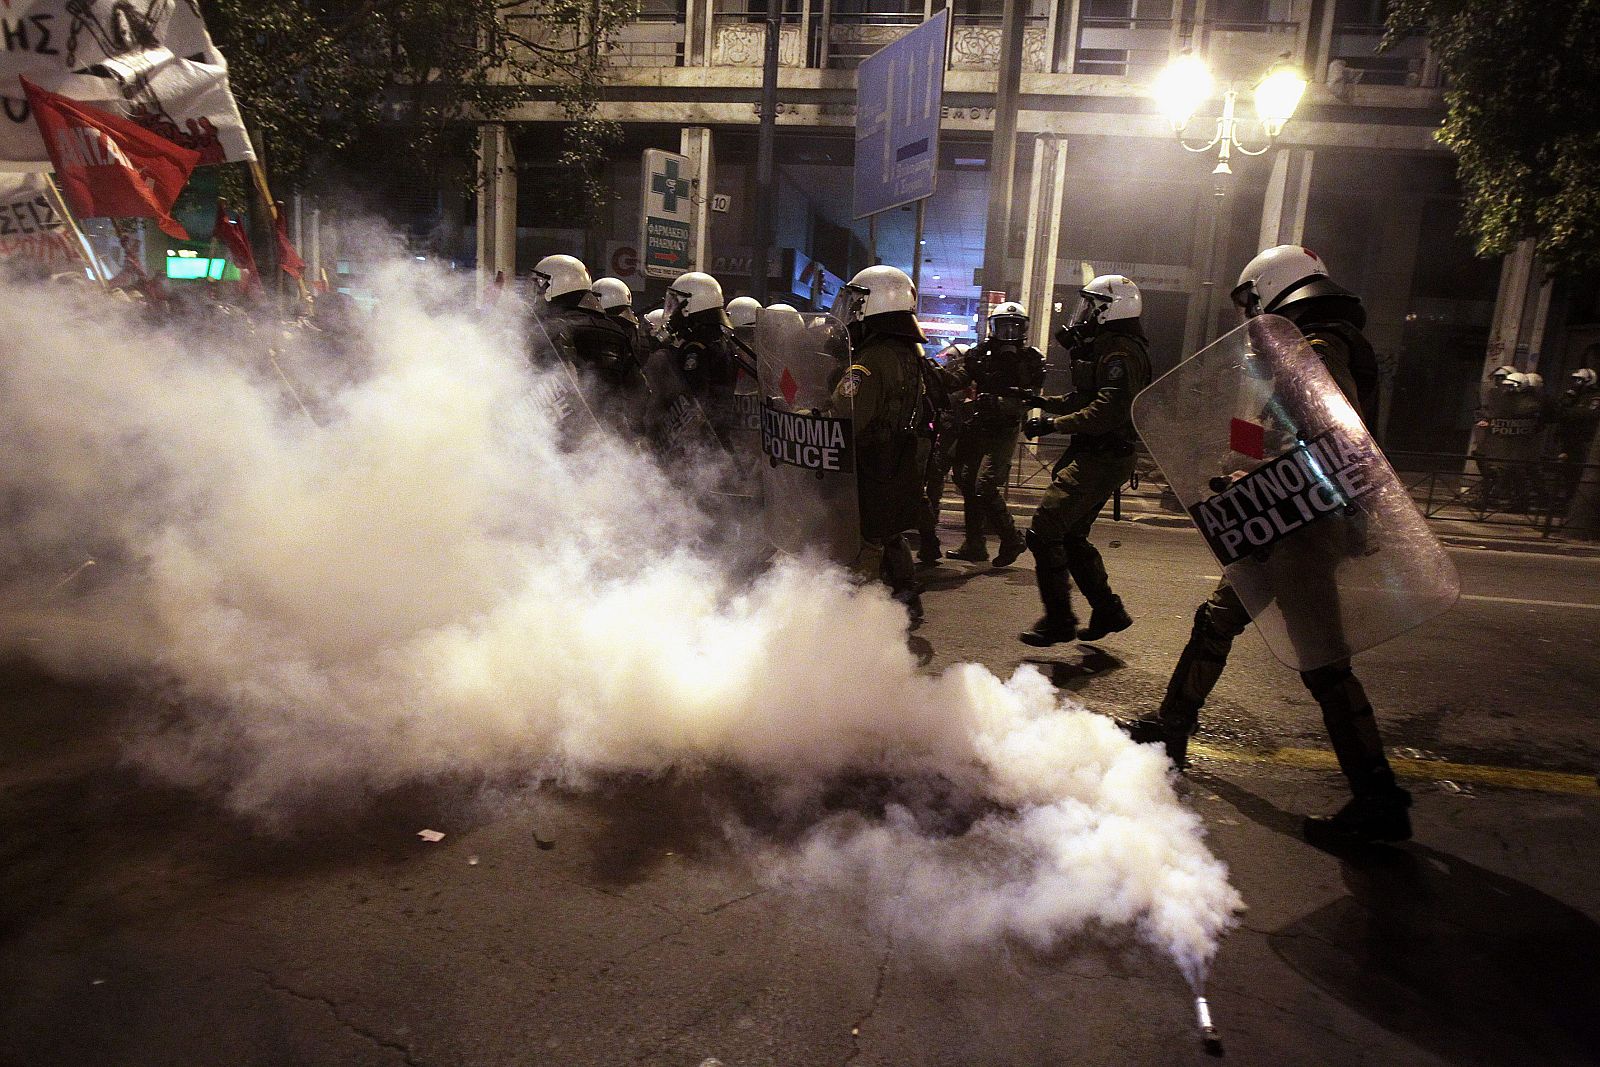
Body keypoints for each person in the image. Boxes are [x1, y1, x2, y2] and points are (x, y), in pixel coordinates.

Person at [1124, 245, 1413, 846]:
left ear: (1272, 290)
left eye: (1251, 299)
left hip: (1305, 522)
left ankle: (1378, 801)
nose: (1248, 312)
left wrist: (1253, 474)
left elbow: (1335, 438)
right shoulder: (1286, 349)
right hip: (1275, 515)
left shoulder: (1318, 347)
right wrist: (1232, 469)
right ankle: (1172, 727)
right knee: (1216, 620)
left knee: (1323, 662)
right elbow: (1258, 426)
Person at [1016, 275, 1149, 646]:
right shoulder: (1109, 347)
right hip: (1097, 452)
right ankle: (1109, 610)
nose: (1084, 314)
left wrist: (1052, 424)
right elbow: (1085, 398)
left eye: (1091, 306)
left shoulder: (1121, 352)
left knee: (1045, 529)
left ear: (1110, 309)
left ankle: (1059, 620)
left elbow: (1107, 412)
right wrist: (1044, 403)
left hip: (1103, 455)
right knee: (1072, 536)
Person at [831, 265, 930, 623]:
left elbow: (844, 416)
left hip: (868, 467)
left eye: (858, 301)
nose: (852, 309)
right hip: (895, 463)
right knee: (887, 535)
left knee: (861, 552)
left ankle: (862, 627)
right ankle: (904, 598)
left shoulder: (871, 360)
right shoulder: (906, 353)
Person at [941, 302, 1044, 567]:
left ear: (1023, 329)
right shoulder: (980, 354)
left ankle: (1012, 538)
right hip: (979, 426)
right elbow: (960, 378)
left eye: (1014, 327)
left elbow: (1029, 398)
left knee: (983, 486)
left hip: (1004, 429)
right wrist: (936, 374)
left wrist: (998, 402)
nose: (1009, 333)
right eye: (1004, 327)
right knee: (965, 480)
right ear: (992, 328)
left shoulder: (1031, 359)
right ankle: (975, 544)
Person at [1475, 370, 1545, 510]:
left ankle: (1519, 502)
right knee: (1500, 471)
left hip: (1518, 446)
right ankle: (1493, 499)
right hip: (1503, 445)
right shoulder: (1506, 399)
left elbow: (1521, 413)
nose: (1506, 389)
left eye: (1510, 387)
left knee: (1516, 474)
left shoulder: (1529, 403)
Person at [1553, 367, 1600, 503]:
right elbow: (1559, 410)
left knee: (1579, 471)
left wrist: (1569, 412)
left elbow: (1589, 414)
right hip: (1568, 438)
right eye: (1575, 379)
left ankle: (1577, 501)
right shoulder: (1572, 394)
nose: (1576, 383)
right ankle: (1568, 498)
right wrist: (1569, 398)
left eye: (1580, 380)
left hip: (1584, 439)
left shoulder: (1595, 396)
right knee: (1566, 471)